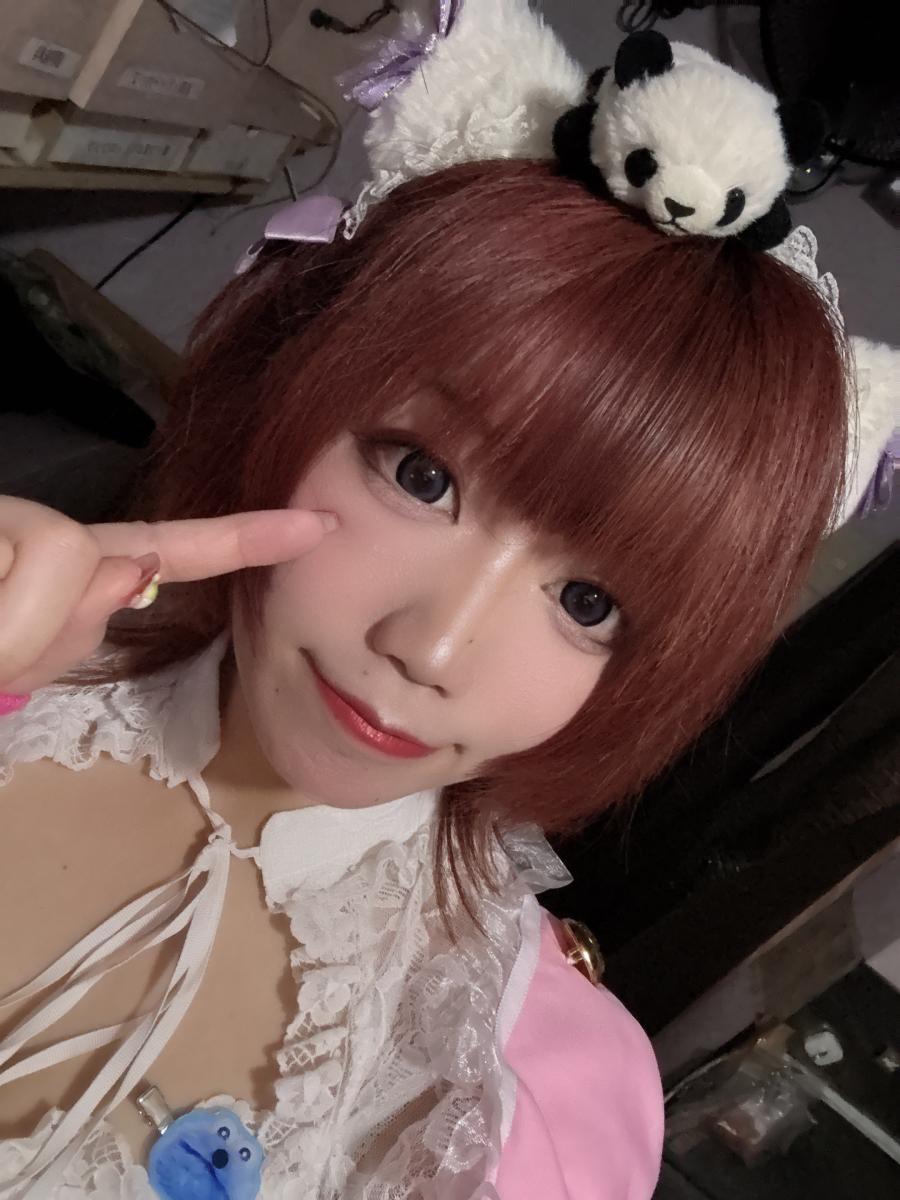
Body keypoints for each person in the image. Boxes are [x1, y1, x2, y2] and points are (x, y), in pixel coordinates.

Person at [0, 3, 890, 1198]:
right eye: (422, 476)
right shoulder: (23, 662)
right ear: (288, 381)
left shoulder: (520, 1109)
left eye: (589, 600)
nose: (435, 647)